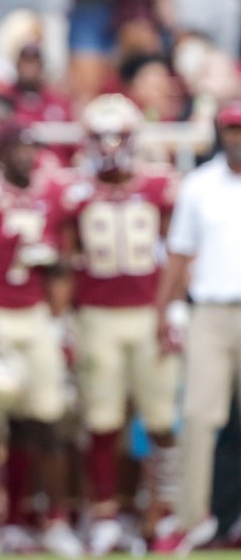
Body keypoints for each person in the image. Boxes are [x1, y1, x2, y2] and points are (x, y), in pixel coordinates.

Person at [53, 95, 179, 554]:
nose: (108, 146)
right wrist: (62, 321)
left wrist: (176, 309)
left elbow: (178, 254)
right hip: (96, 316)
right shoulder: (74, 193)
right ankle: (105, 514)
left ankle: (163, 512)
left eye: (117, 136)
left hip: (149, 314)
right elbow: (66, 261)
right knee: (102, 422)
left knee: (163, 420)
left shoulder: (161, 186)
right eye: (100, 137)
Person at [0, 120, 83, 559]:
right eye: (19, 147)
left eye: (32, 147)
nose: (28, 155)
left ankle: (55, 521)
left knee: (49, 419)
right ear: (1, 154)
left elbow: (66, 257)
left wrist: (60, 309)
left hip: (35, 314)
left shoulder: (50, 195)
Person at [152, 103, 241, 554]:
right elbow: (179, 254)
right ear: (219, 132)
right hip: (211, 310)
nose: (237, 137)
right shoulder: (200, 186)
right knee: (200, 417)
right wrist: (162, 311)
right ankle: (193, 519)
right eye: (231, 129)